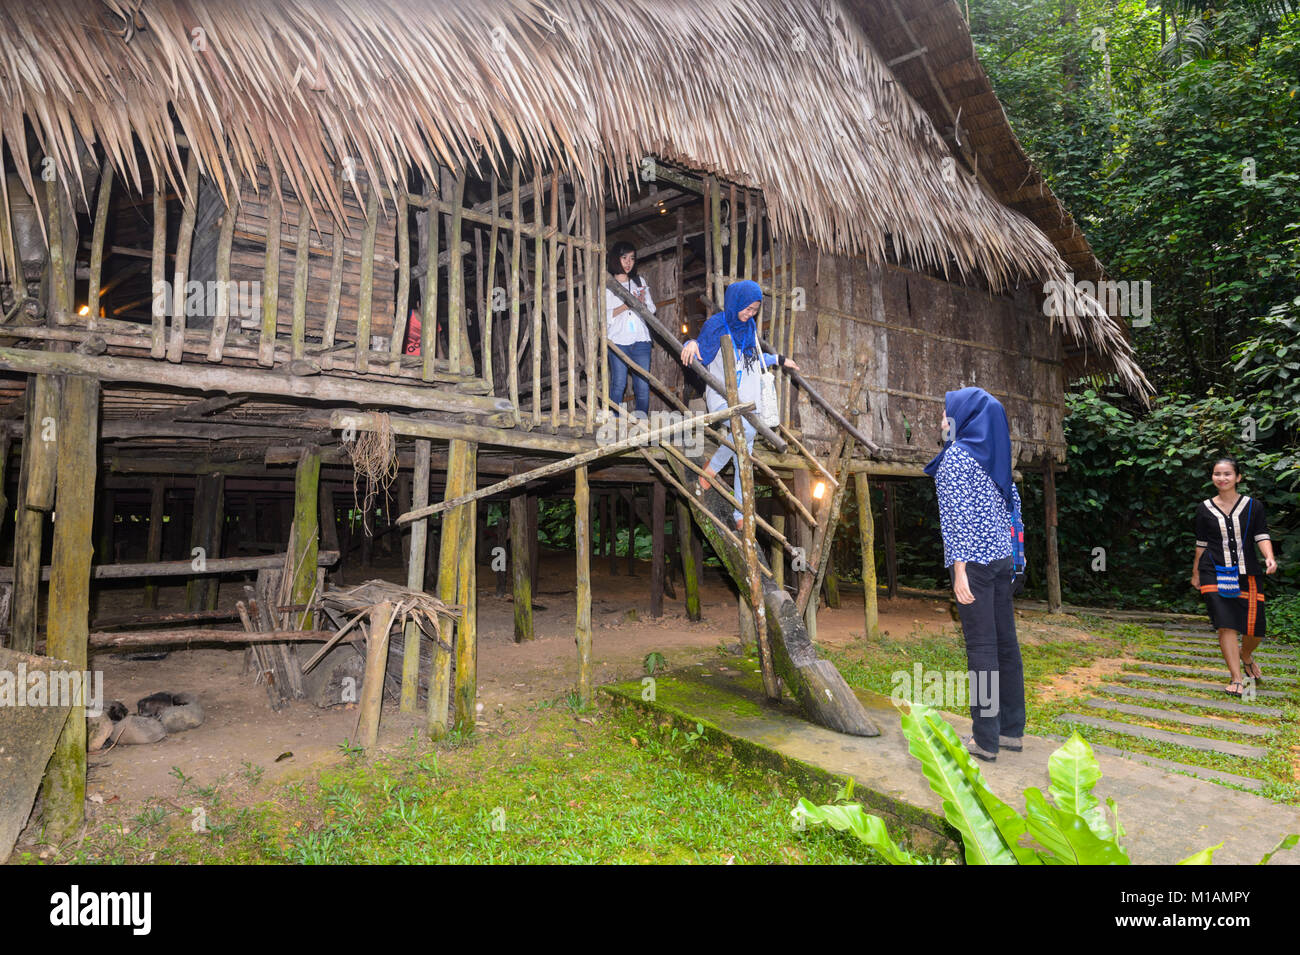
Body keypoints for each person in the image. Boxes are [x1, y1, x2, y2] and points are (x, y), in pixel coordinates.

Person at [925, 387, 1025, 762]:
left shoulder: (956, 460)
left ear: (964, 419)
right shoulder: (995, 455)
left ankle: (985, 740)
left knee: (981, 648)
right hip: (1001, 560)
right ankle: (1011, 731)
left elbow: (956, 522)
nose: (942, 421)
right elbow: (1014, 508)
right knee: (1006, 645)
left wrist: (959, 572)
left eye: (946, 414)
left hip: (975, 564)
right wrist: (1018, 558)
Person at [679, 280, 797, 526]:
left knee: (744, 453)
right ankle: (712, 470)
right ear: (735, 303)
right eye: (746, 308)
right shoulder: (716, 325)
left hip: (747, 397)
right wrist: (690, 343)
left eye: (754, 310)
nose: (749, 314)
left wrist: (779, 359)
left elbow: (753, 357)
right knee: (750, 430)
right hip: (722, 396)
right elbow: (700, 351)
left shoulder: (749, 326)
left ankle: (740, 514)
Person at [1192, 456, 1277, 696]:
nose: (1222, 478)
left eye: (1227, 474)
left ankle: (1246, 654)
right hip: (1213, 570)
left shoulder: (1253, 506)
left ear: (1238, 477)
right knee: (1225, 623)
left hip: (1247, 571)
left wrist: (1269, 557)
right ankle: (1237, 679)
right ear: (1212, 477)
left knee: (1255, 628)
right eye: (1217, 474)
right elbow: (1201, 543)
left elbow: (1261, 535)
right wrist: (1196, 571)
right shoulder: (1204, 508)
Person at [604, 241, 655, 420]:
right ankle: (614, 421)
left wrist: (641, 302)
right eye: (624, 258)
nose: (628, 262)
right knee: (619, 383)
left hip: (641, 339)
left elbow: (652, 309)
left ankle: (641, 423)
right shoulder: (606, 285)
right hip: (618, 340)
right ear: (615, 259)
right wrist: (627, 305)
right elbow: (604, 316)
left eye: (632, 258)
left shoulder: (639, 281)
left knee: (642, 385)